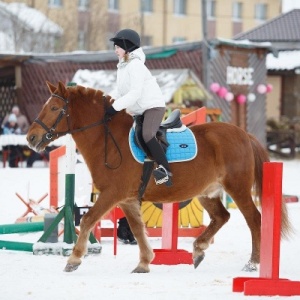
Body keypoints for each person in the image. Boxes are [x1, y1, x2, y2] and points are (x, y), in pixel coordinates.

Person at [106, 28, 173, 186]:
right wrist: (107, 99)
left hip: (153, 107)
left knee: (148, 134)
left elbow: (134, 93)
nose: (115, 50)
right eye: (114, 47)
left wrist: (115, 107)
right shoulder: (123, 66)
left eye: (118, 47)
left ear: (127, 46)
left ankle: (166, 170)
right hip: (139, 110)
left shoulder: (135, 65)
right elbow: (120, 91)